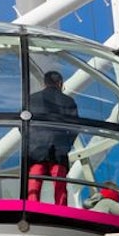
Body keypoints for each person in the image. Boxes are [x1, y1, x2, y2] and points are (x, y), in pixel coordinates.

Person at [27, 69, 79, 205]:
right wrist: (67, 145)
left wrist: (32, 140)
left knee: (34, 185)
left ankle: (32, 209)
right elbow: (75, 128)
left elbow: (22, 125)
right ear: (60, 83)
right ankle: (61, 212)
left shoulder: (31, 99)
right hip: (59, 149)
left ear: (44, 83)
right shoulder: (68, 101)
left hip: (36, 149)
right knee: (60, 186)